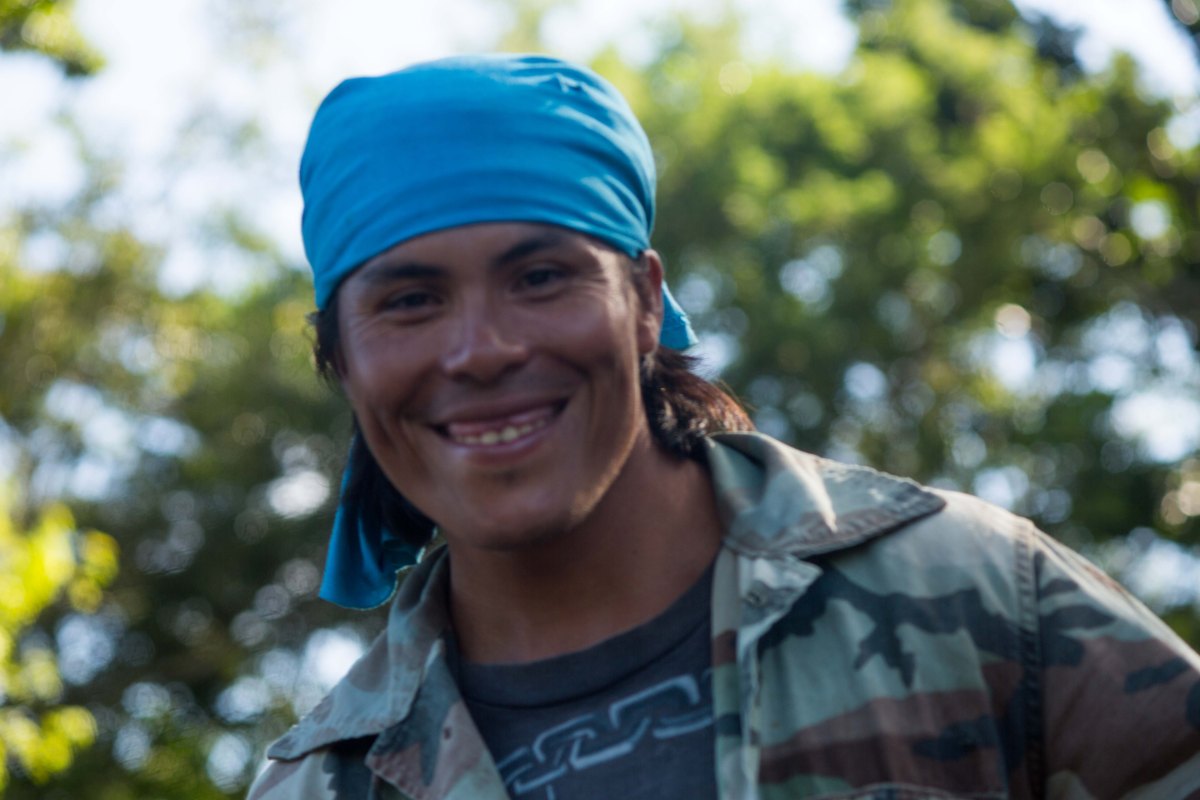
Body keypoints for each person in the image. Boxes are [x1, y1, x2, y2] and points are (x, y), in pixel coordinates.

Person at [247, 54, 1200, 800]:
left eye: (539, 277)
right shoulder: (321, 784)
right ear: (340, 360)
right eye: (410, 301)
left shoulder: (970, 590)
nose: (482, 350)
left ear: (644, 301)